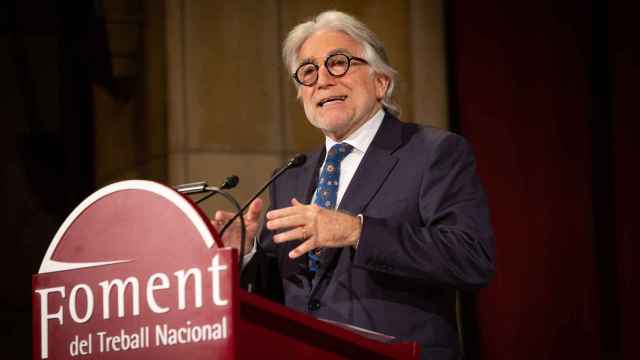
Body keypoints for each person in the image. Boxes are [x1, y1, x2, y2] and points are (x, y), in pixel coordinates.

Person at [211, 10, 495, 360]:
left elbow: (471, 258)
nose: (322, 80)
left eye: (339, 63)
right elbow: (281, 295)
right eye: (308, 71)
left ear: (381, 82)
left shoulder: (432, 152)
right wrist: (246, 254)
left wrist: (357, 231)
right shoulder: (291, 176)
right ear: (302, 96)